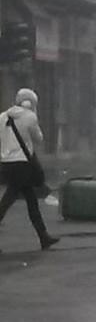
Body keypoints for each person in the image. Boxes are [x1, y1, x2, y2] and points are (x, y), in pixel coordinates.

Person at [0, 88, 60, 250]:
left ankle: (44, 237)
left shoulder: (2, 116)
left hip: (6, 164)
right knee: (8, 200)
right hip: (23, 165)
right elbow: (39, 139)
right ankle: (44, 237)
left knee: (30, 201)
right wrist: (35, 117)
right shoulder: (30, 117)